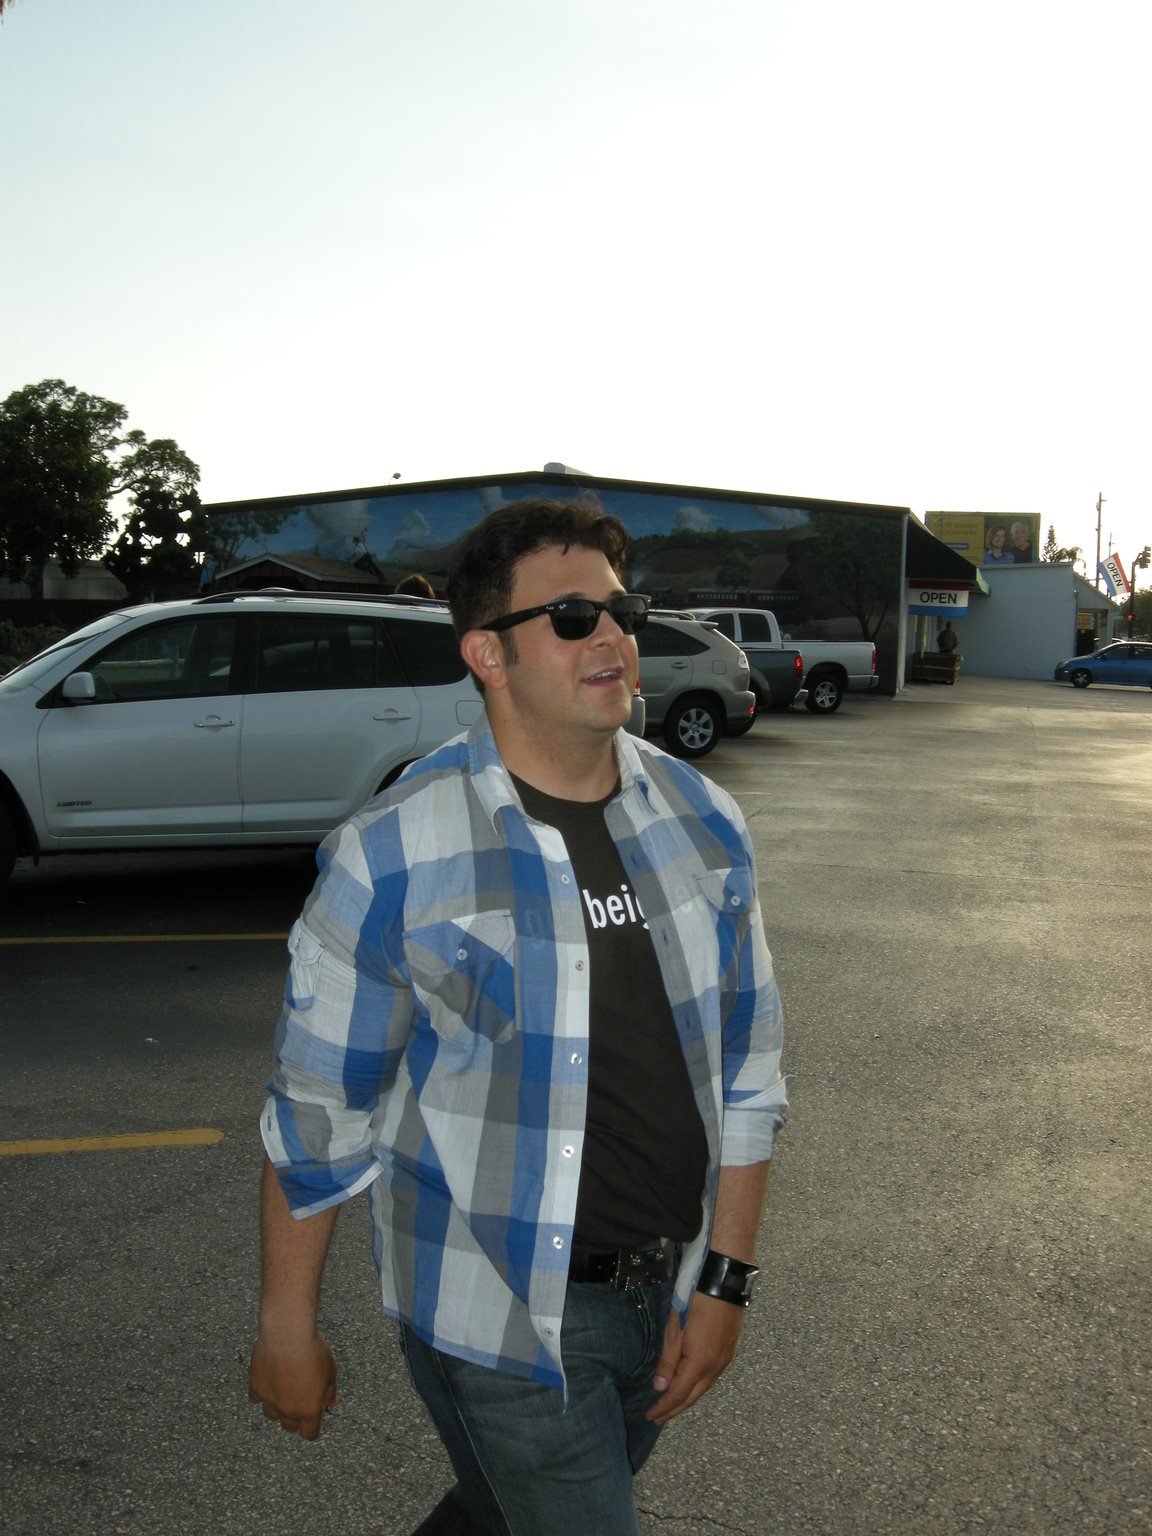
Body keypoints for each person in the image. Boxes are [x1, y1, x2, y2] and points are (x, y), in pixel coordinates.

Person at [247, 497, 788, 1536]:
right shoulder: (393, 854)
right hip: (496, 1311)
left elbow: (749, 1071)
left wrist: (725, 1280)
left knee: (497, 1517)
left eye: (623, 611)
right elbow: (317, 1116)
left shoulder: (703, 819)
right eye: (574, 618)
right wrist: (286, 1328)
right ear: (487, 655)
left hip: (666, 1286)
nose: (614, 637)